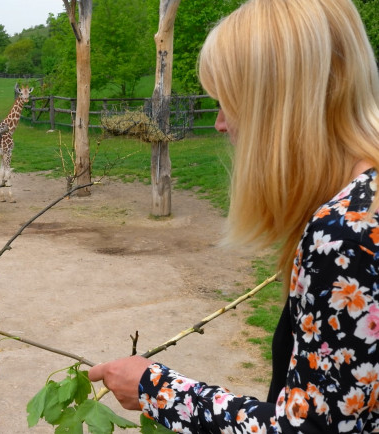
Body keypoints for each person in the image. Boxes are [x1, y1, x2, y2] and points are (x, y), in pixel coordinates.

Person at [88, 0, 379, 431]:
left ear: (278, 105)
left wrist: (156, 389)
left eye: (231, 102)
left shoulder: (347, 234)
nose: (221, 123)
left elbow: (307, 429)